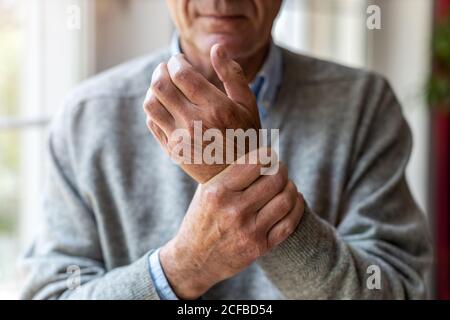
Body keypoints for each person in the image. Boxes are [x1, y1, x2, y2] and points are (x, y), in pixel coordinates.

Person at [21, 0, 431, 299]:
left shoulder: (362, 104)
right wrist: (184, 267)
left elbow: (395, 290)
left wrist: (245, 175)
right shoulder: (87, 115)